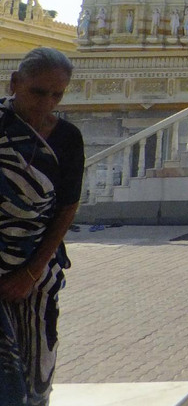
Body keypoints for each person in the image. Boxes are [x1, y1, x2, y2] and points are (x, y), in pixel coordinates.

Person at [0, 47, 85, 405]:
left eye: (57, 95)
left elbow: (66, 208)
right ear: (15, 82)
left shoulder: (67, 138)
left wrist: (31, 274)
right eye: (38, 92)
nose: (47, 102)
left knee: (35, 376)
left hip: (36, 272)